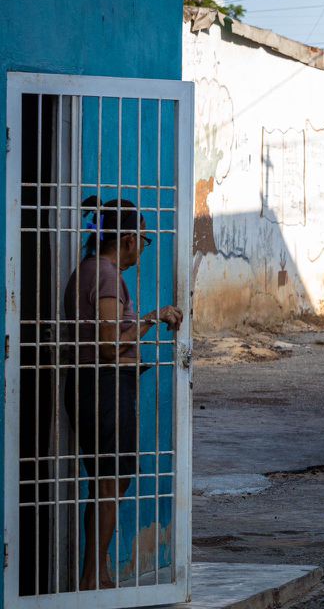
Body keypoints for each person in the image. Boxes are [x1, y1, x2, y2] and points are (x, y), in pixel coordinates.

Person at [65, 197, 183, 590]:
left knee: (107, 482)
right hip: (106, 385)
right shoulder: (106, 276)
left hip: (94, 384)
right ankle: (94, 576)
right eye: (145, 240)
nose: (143, 248)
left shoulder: (88, 270)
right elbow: (110, 344)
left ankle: (95, 573)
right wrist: (153, 317)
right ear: (129, 239)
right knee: (110, 483)